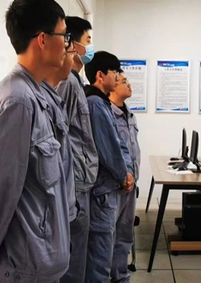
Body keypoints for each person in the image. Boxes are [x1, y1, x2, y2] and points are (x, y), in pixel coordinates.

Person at [0, 0, 72, 283]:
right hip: (20, 270)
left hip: (37, 266)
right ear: (43, 39)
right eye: (64, 35)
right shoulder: (18, 102)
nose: (67, 44)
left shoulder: (37, 95)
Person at [84, 51, 134, 283]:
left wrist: (127, 172)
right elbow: (109, 148)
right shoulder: (95, 104)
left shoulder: (102, 103)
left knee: (107, 248)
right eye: (114, 72)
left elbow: (119, 143)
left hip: (109, 188)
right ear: (100, 76)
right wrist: (123, 175)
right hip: (102, 191)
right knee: (99, 258)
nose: (117, 76)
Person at [57, 16, 99, 283]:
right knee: (74, 261)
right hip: (75, 184)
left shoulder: (75, 82)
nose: (90, 47)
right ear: (71, 43)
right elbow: (60, 137)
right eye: (88, 40)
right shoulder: (67, 84)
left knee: (80, 255)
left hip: (81, 182)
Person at [41, 32, 78, 227]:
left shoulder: (54, 99)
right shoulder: (21, 101)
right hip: (48, 217)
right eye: (71, 52)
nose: (73, 58)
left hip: (62, 208)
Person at [109, 73, 142, 283]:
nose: (128, 84)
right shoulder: (107, 115)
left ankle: (121, 276)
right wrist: (122, 175)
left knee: (125, 234)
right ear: (112, 87)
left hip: (131, 184)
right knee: (108, 235)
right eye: (123, 82)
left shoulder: (130, 115)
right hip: (116, 185)